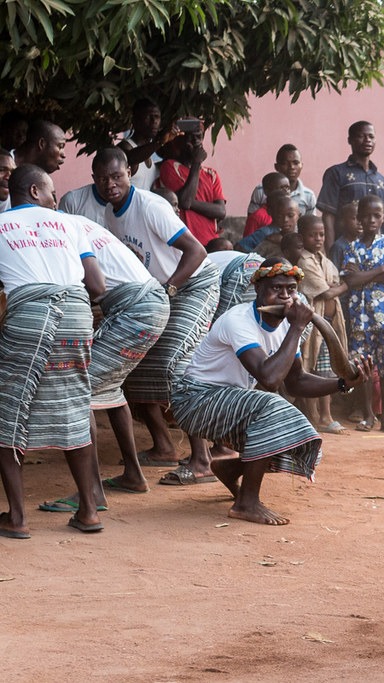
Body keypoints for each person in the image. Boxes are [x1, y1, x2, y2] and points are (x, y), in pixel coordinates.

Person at [170, 259, 370, 525]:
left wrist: (343, 384)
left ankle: (231, 468)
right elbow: (271, 379)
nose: (286, 296)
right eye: (277, 288)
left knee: (289, 428)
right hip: (194, 401)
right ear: (258, 290)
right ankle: (246, 503)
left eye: (291, 289)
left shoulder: (286, 326)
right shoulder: (238, 320)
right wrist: (298, 327)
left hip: (231, 403)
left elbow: (296, 382)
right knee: (274, 409)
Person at [92, 147, 221, 484]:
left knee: (176, 365)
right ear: (95, 181)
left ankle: (204, 459)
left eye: (117, 176)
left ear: (128, 175)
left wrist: (169, 290)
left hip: (192, 284)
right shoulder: (109, 215)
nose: (111, 184)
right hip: (159, 292)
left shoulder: (150, 206)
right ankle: (164, 446)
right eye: (103, 179)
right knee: (138, 367)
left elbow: (197, 250)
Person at [39, 214, 172, 513]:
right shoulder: (75, 222)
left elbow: (94, 286)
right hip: (149, 304)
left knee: (79, 390)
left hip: (135, 308)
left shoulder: (56, 231)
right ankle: (134, 476)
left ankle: (93, 491)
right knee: (110, 389)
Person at [0, 165, 106, 538]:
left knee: (7, 408)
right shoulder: (70, 223)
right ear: (33, 191)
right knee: (76, 405)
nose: (55, 199)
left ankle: (17, 518)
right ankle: (89, 512)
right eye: (51, 191)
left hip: (28, 316)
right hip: (77, 316)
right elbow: (97, 284)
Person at [340, 195, 384, 432]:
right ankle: (368, 415)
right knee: (364, 368)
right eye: (366, 215)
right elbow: (351, 280)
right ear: (358, 218)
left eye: (376, 215)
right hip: (361, 318)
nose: (371, 220)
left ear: (383, 217)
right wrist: (380, 269)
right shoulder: (351, 248)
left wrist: (364, 276)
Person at [296, 214, 349, 434]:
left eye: (321, 234)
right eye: (312, 235)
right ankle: (317, 417)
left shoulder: (323, 260)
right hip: (313, 325)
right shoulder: (304, 261)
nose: (318, 238)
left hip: (328, 324)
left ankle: (325, 415)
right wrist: (346, 286)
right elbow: (326, 291)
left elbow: (330, 285)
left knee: (326, 371)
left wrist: (333, 287)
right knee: (311, 369)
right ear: (302, 237)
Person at [318, 121, 384, 245]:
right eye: (361, 136)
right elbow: (328, 216)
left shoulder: (381, 180)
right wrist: (330, 252)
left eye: (371, 136)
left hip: (377, 250)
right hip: (346, 248)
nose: (367, 140)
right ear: (350, 140)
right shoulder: (336, 173)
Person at [155, 125, 227, 247]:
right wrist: (196, 163)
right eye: (190, 138)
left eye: (198, 137)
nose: (195, 142)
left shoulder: (211, 174)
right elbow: (184, 201)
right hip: (187, 243)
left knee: (225, 245)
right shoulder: (170, 166)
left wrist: (189, 203)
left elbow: (220, 211)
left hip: (211, 240)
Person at [118, 98, 179, 190]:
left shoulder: (150, 150)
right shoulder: (124, 147)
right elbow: (130, 158)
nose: (154, 121)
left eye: (157, 117)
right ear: (135, 120)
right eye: (148, 116)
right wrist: (159, 141)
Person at [247, 144, 317, 216]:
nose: (292, 167)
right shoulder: (261, 190)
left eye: (296, 163)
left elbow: (310, 224)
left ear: (301, 166)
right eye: (285, 163)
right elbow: (252, 220)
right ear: (276, 167)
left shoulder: (309, 196)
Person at [235, 192, 300, 258]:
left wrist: (283, 240)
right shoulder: (267, 234)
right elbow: (241, 247)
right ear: (272, 213)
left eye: (290, 215)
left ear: (299, 216)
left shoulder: (301, 232)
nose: (285, 219)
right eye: (280, 216)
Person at [242, 172, 290, 237]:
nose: (286, 191)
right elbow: (248, 242)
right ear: (267, 191)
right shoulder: (257, 217)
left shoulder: (291, 213)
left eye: (287, 188)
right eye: (281, 188)